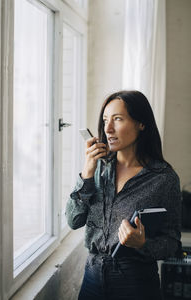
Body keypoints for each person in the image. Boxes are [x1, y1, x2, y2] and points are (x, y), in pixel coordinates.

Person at [65, 90, 182, 300]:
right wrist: (87, 173)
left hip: (136, 284)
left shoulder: (163, 178)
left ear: (141, 124)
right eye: (105, 120)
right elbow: (73, 220)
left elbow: (172, 244)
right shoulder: (97, 168)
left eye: (117, 119)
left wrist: (142, 243)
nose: (108, 129)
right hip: (91, 280)